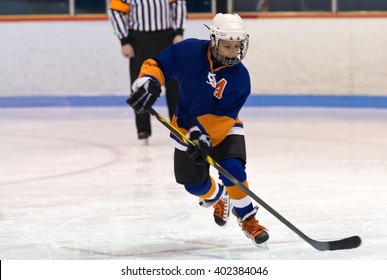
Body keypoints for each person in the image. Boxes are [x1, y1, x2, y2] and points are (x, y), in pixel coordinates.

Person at [127, 13, 269, 247]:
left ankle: (248, 219)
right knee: (194, 184)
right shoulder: (189, 51)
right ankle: (218, 196)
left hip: (224, 129)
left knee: (233, 170)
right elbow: (159, 65)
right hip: (185, 126)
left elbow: (223, 118)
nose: (233, 51)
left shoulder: (241, 78)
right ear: (214, 40)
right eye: (227, 45)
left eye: (237, 46)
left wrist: (203, 136)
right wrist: (150, 82)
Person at [108, 0, 187, 144]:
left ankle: (179, 127)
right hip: (139, 39)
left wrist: (179, 32)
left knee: (175, 84)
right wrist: (124, 40)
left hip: (167, 37)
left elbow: (179, 4)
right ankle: (143, 130)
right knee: (140, 83)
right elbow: (115, 11)